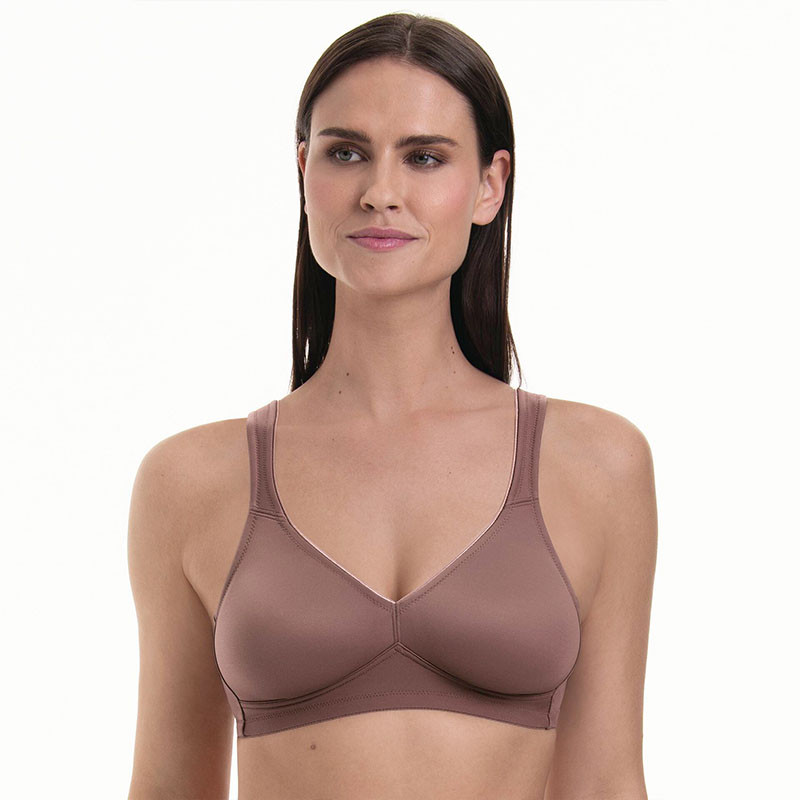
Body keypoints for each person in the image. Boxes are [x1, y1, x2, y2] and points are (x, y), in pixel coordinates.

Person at [126, 12, 657, 800]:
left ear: (490, 186)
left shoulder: (596, 466)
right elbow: (167, 788)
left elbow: (607, 783)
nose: (380, 193)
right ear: (303, 171)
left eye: (424, 158)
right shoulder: (192, 481)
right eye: (346, 153)